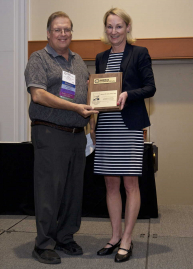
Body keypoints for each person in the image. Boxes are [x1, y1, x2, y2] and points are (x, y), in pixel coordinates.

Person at [25, 11, 98, 264]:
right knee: (49, 190)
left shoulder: (78, 61)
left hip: (78, 134)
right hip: (50, 132)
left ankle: (65, 236)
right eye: (57, 30)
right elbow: (38, 95)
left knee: (72, 191)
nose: (63, 34)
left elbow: (88, 96)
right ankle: (43, 243)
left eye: (67, 29)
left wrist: (91, 123)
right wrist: (76, 108)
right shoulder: (39, 58)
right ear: (48, 33)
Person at [90, 7, 156, 263]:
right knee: (110, 184)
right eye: (109, 26)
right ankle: (115, 235)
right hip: (107, 126)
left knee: (130, 184)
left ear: (128, 28)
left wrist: (128, 94)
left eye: (119, 26)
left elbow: (150, 87)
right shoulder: (100, 57)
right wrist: (94, 120)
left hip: (128, 127)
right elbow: (100, 94)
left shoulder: (140, 53)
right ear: (105, 29)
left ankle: (127, 238)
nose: (113, 31)